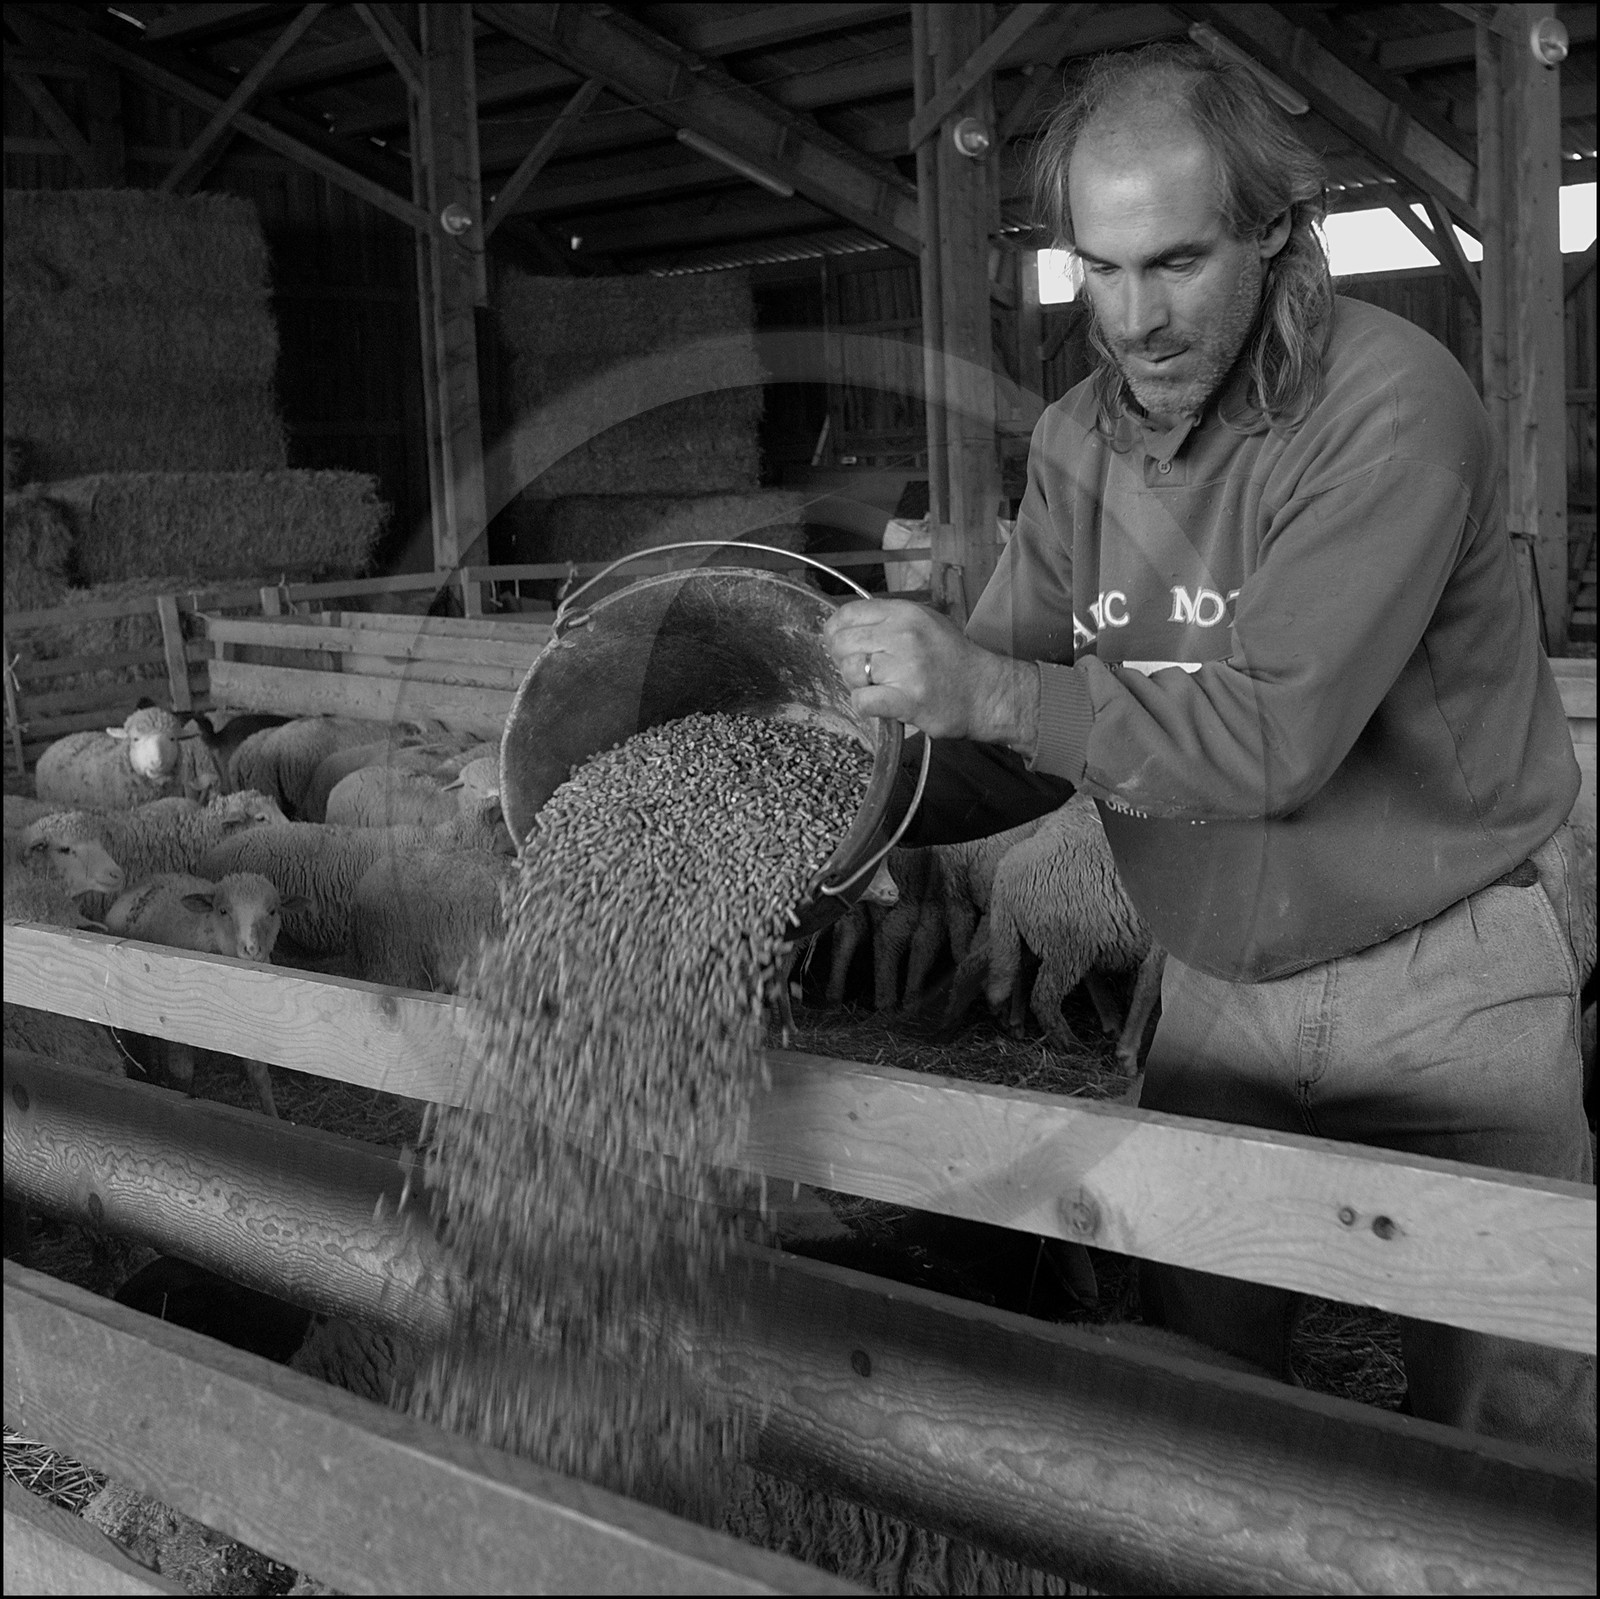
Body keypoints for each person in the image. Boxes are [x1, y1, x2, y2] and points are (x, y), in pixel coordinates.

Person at [824, 40, 1593, 1460]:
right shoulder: (1074, 445)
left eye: (1176, 262)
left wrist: (984, 687)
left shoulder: (1389, 409)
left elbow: (1269, 741)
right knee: (1203, 1416)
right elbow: (1014, 735)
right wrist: (829, 810)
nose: (1133, 316)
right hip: (1214, 993)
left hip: (1446, 989)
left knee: (1513, 1441)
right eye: (1097, 270)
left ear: (1276, 234)